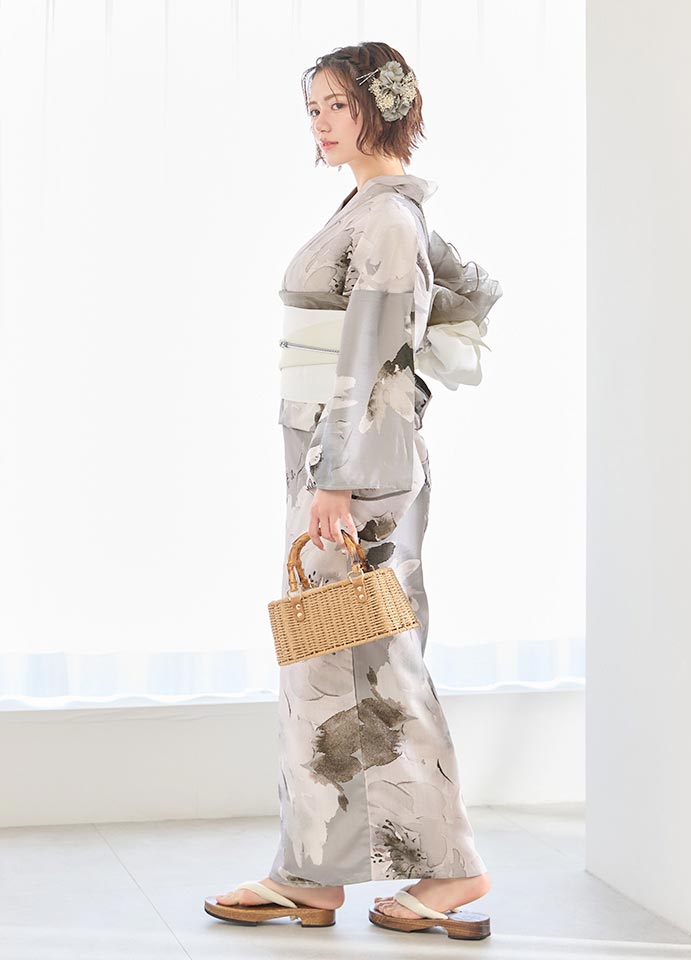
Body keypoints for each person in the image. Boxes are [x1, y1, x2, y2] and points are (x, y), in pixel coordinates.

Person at [204, 41, 502, 937]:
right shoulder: (381, 211)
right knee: (328, 665)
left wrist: (337, 477)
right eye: (313, 108)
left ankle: (449, 871)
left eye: (337, 103)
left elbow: (375, 352)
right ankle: (312, 872)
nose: (321, 122)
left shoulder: (390, 219)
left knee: (374, 664)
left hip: (353, 476)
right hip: (333, 462)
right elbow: (473, 290)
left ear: (384, 103)